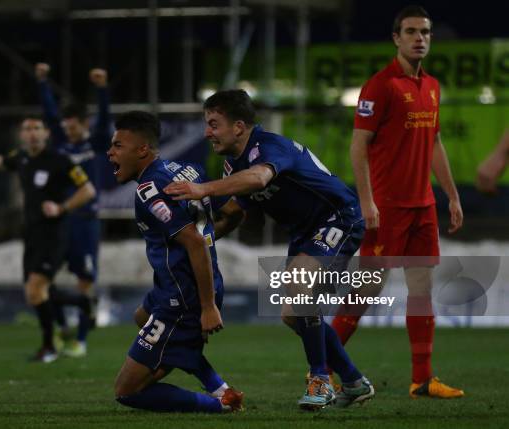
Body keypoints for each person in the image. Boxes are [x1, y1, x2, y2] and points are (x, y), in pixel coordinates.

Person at [164, 89, 374, 410]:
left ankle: (320, 380)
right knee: (293, 316)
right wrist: (197, 245)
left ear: (238, 126)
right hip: (305, 231)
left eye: (213, 124)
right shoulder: (234, 166)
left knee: (299, 282)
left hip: (339, 216)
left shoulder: (270, 147)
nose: (207, 132)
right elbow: (234, 212)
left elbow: (260, 178)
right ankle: (354, 381)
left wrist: (201, 189)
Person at [329, 5, 465, 399]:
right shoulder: (380, 86)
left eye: (425, 32)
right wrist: (367, 203)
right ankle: (319, 370)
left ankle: (422, 380)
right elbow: (358, 146)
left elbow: (435, 143)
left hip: (422, 206)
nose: (419, 38)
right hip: (386, 208)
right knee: (365, 291)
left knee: (421, 292)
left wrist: (451, 195)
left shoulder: (433, 87)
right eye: (411, 31)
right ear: (396, 38)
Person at [108, 111, 244, 413]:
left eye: (118, 146)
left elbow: (194, 242)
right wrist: (207, 242)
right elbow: (234, 211)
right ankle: (219, 387)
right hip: (173, 286)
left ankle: (220, 405)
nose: (110, 152)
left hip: (183, 296)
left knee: (127, 391)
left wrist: (208, 307)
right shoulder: (187, 170)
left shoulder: (150, 190)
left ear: (142, 149)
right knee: (142, 317)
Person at [0, 117, 96, 362]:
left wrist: (62, 207)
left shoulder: (60, 161)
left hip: (53, 234)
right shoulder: (21, 158)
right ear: (22, 135)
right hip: (31, 233)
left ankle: (49, 346)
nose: (31, 133)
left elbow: (88, 190)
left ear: (47, 134)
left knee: (35, 289)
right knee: (37, 293)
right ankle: (83, 302)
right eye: (27, 129)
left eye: (36, 128)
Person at [34, 63, 112, 357]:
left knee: (85, 281)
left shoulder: (96, 143)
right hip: (60, 221)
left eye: (72, 123)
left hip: (86, 221)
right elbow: (50, 116)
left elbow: (105, 120)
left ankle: (80, 340)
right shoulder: (60, 145)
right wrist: (42, 82)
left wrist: (102, 89)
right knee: (45, 280)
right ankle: (60, 328)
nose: (67, 127)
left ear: (83, 123)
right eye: (65, 124)